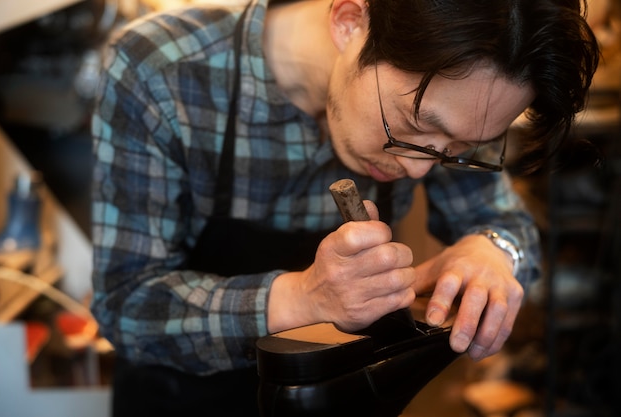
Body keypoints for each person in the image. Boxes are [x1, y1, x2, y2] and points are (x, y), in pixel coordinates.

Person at [90, 0, 599, 415]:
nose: (423, 169)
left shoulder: (464, 95)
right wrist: (304, 298)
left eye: (459, 149)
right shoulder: (161, 71)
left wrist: (492, 253)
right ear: (350, 21)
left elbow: (510, 228)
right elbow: (126, 306)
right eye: (413, 129)